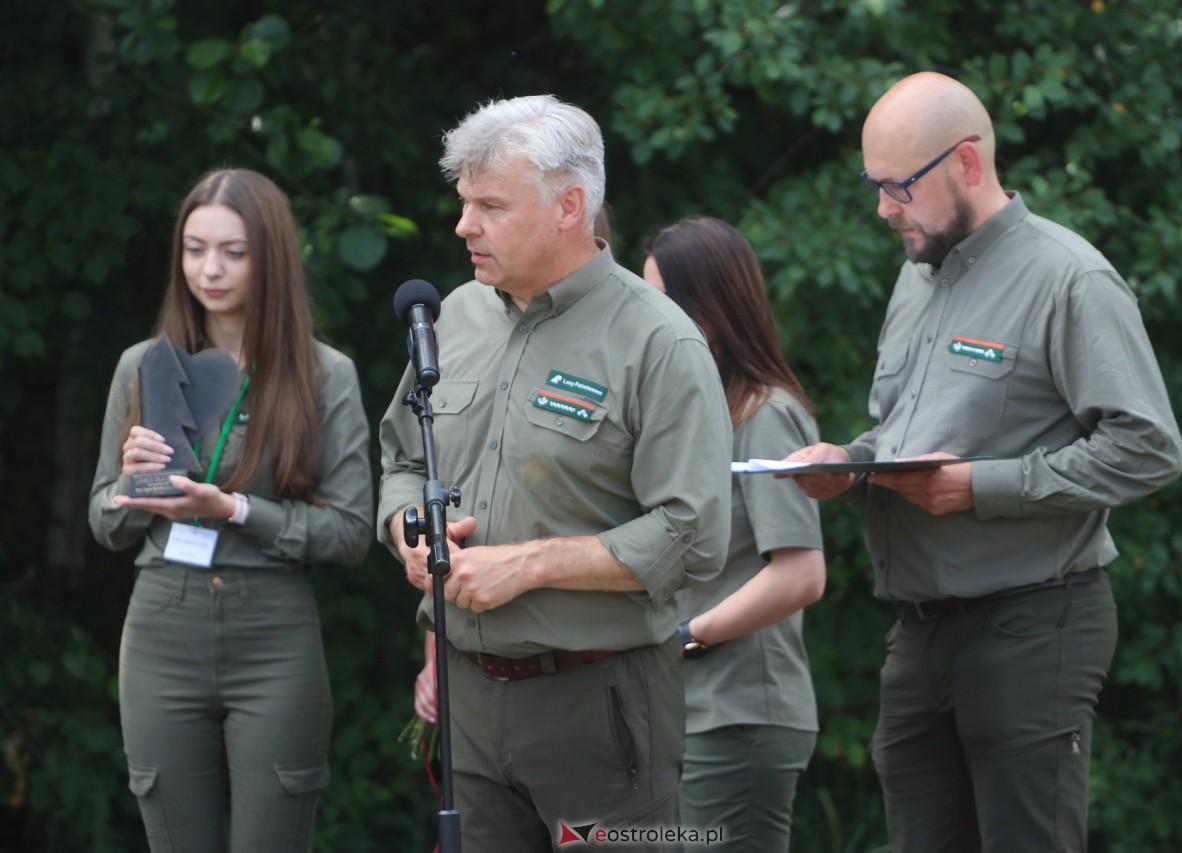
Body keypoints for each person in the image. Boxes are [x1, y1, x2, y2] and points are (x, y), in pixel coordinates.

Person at [784, 72, 1182, 851]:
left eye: (898, 186)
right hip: (917, 630)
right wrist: (851, 464)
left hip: (1032, 623)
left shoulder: (1069, 279)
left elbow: (1149, 449)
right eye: (875, 185)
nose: (883, 208)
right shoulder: (914, 276)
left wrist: (984, 488)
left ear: (967, 162)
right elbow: (906, 436)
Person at [379, 94, 732, 851]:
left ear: (570, 206)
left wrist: (532, 565)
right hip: (467, 699)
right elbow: (404, 460)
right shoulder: (450, 320)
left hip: (597, 701)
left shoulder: (659, 342)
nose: (462, 225)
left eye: (489, 206)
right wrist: (411, 527)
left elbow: (693, 534)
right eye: (464, 203)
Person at [87, 168, 373, 852]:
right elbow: (105, 521)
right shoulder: (143, 365)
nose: (208, 269)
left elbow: (353, 531)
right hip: (162, 626)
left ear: (269, 255)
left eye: (233, 251)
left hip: (273, 632)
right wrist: (133, 484)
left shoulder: (324, 373)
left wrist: (238, 508)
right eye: (193, 249)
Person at [641, 215, 826, 852]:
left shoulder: (768, 416)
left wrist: (687, 638)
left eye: (661, 304)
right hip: (683, 714)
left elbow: (801, 574)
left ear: (711, 310)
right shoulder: (692, 413)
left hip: (741, 715)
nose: (648, 322)